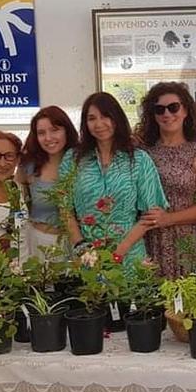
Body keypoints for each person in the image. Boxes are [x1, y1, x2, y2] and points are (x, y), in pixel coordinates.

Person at [59, 92, 168, 265]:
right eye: (92, 118)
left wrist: (119, 252)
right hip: (86, 256)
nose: (99, 124)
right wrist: (82, 247)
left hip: (129, 254)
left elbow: (151, 214)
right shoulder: (73, 159)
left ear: (116, 118)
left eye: (105, 116)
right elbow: (64, 209)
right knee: (88, 292)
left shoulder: (139, 160)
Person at [136, 82, 196, 278]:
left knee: (185, 300)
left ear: (186, 110)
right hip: (149, 236)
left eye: (174, 107)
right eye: (159, 109)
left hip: (184, 238)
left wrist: (168, 219)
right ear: (152, 115)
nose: (167, 114)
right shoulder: (144, 150)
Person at [16, 106, 79, 259]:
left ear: (67, 130)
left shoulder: (82, 162)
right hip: (39, 244)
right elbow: (17, 206)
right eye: (41, 133)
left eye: (55, 130)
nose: (48, 138)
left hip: (78, 245)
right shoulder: (28, 166)